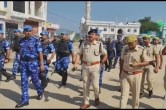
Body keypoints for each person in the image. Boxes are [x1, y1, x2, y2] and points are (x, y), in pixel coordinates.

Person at [73, 29, 107, 109]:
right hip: (85, 67)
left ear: (96, 36)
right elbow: (79, 54)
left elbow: (105, 54)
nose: (90, 35)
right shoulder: (84, 44)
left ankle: (96, 97)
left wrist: (102, 61)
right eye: (90, 34)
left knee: (95, 85)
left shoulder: (99, 44)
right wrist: (75, 63)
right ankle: (86, 102)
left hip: (95, 67)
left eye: (92, 34)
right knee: (85, 85)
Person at [15, 25, 44, 108]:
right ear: (24, 32)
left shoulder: (36, 40)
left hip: (33, 63)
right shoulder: (21, 40)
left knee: (35, 80)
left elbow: (40, 53)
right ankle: (25, 100)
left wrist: (41, 64)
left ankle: (40, 91)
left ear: (32, 31)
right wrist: (18, 64)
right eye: (26, 31)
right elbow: (20, 53)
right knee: (23, 81)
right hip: (23, 63)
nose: (28, 32)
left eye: (30, 31)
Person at [119, 35, 149, 109]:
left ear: (136, 42)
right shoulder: (124, 48)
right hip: (125, 74)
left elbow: (147, 62)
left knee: (135, 95)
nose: (129, 45)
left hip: (136, 75)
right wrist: (120, 72)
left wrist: (138, 64)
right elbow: (121, 60)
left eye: (131, 43)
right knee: (123, 95)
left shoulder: (141, 50)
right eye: (128, 43)